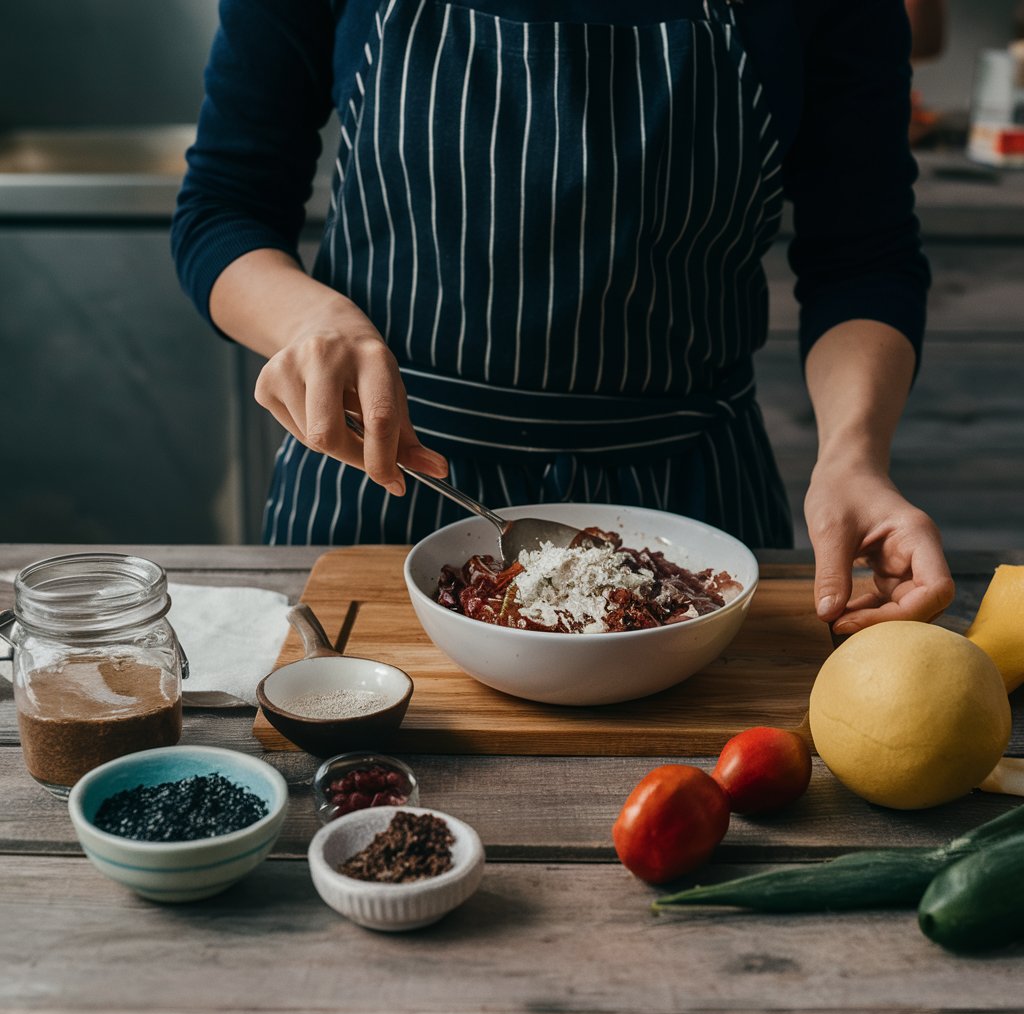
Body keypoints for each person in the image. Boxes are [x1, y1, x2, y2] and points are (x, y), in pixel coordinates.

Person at [172, 0, 955, 636]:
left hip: (689, 501)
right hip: (381, 479)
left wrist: (853, 455)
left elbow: (863, 259)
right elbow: (224, 208)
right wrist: (311, 320)